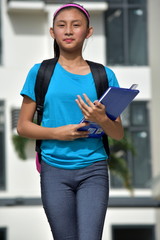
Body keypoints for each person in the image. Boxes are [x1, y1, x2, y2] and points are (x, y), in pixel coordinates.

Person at [17, 3, 124, 240]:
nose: (68, 31)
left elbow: (118, 133)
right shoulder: (40, 72)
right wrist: (57, 133)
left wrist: (101, 119)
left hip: (93, 169)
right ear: (52, 32)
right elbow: (23, 126)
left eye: (76, 25)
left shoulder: (105, 75)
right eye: (61, 25)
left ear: (88, 32)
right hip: (54, 169)